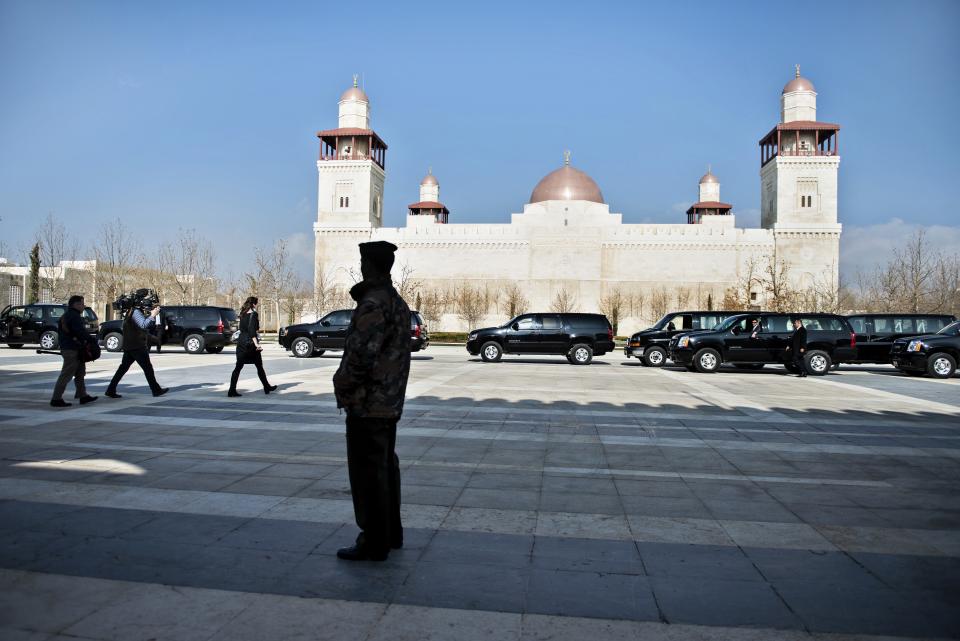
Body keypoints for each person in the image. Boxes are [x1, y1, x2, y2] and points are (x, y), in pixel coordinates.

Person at [333, 241, 411, 562]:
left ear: (370, 265)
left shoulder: (373, 303)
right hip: (388, 402)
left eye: (363, 261)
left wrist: (343, 384)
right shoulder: (396, 302)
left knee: (368, 472)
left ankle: (374, 540)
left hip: (368, 403)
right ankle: (390, 532)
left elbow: (361, 355)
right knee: (384, 467)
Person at [105, 298, 168, 398]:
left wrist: (152, 338)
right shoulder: (136, 312)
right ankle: (156, 390)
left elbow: (137, 329)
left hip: (130, 345)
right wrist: (153, 315)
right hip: (136, 346)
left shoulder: (130, 312)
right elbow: (143, 325)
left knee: (123, 369)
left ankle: (110, 389)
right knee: (148, 368)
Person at [50, 295, 97, 408]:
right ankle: (56, 398)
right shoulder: (74, 316)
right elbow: (80, 332)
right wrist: (91, 340)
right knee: (66, 374)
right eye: (81, 303)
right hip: (71, 349)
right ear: (75, 305)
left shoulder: (67, 315)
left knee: (80, 373)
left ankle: (82, 395)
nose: (83, 306)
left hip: (74, 348)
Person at [228, 296, 276, 397]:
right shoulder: (253, 315)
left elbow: (243, 328)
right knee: (259, 366)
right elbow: (252, 331)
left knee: (238, 367)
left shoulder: (242, 314)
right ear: (254, 304)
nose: (257, 305)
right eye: (256, 303)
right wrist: (257, 344)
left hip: (241, 343)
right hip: (250, 344)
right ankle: (266, 387)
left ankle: (231, 390)